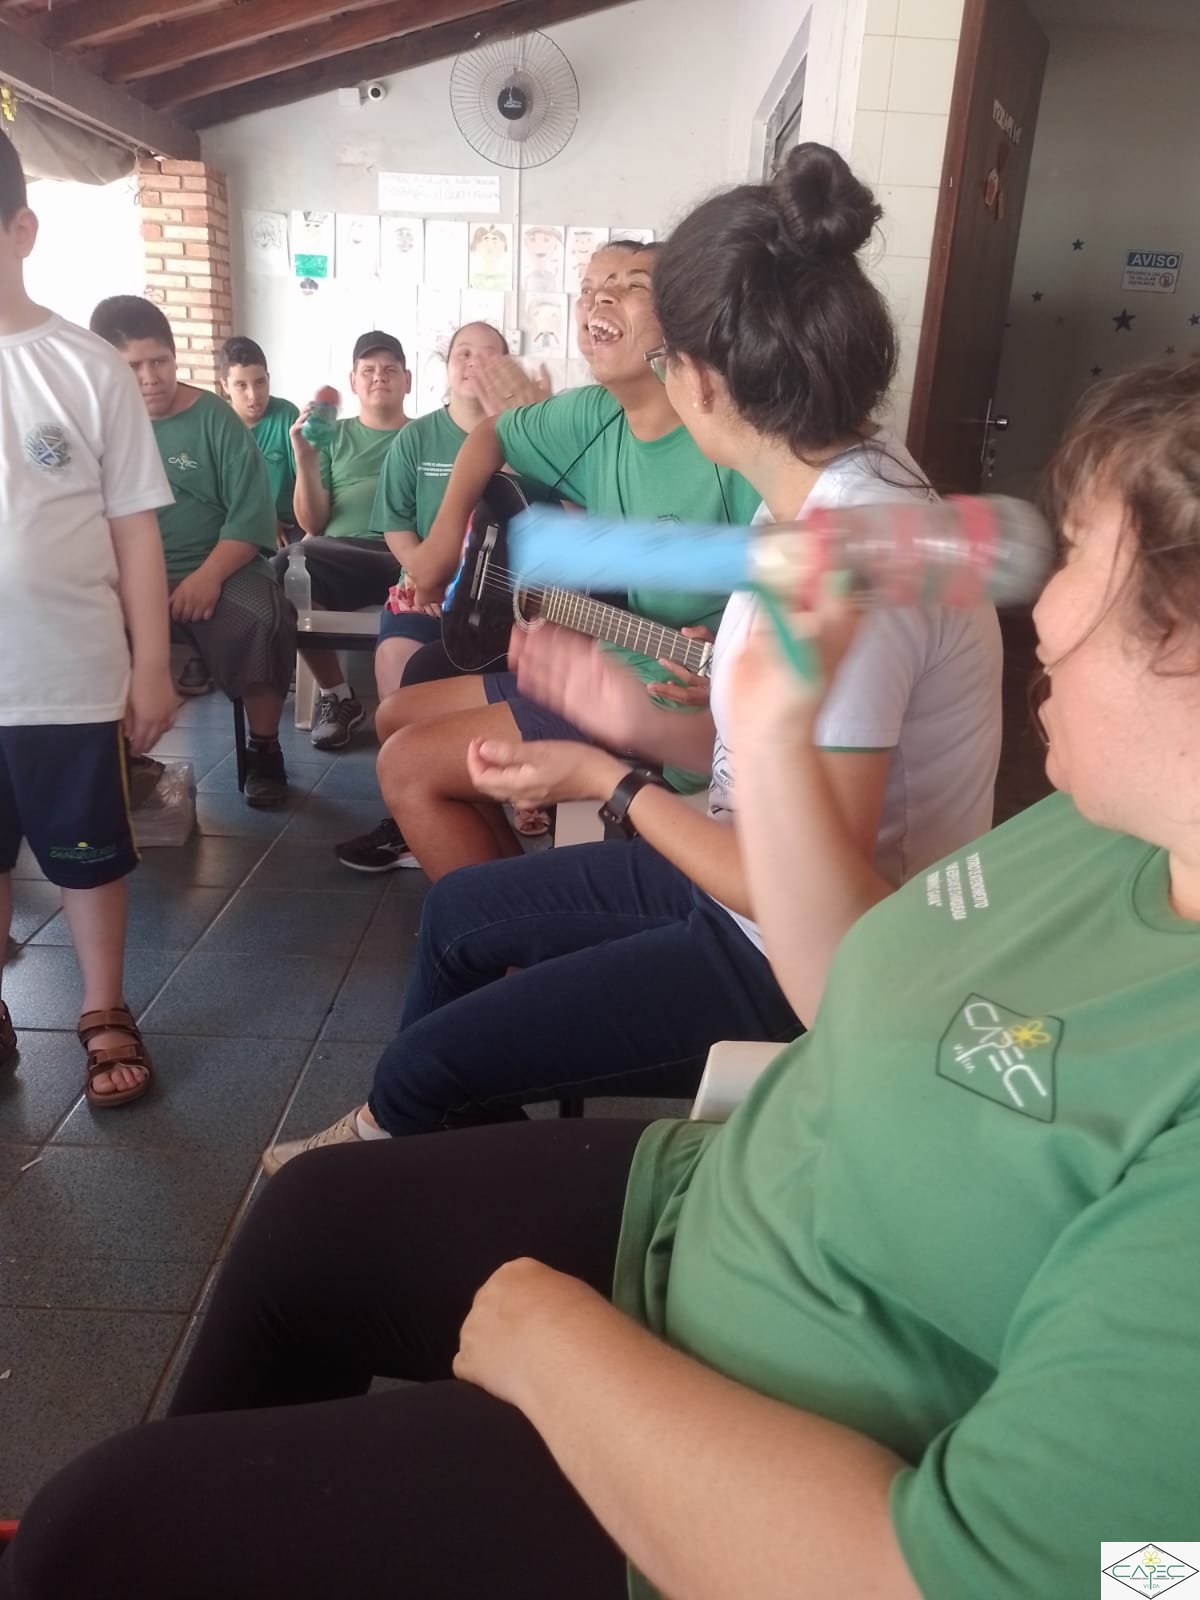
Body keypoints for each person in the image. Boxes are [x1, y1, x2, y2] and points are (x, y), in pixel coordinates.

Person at [8, 232, 1195, 1600]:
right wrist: (661, 733)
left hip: (761, 1413)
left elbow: (1083, 1578)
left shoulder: (862, 556)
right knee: (315, 1214)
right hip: (730, 1202)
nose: (1040, 607)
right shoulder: (1094, 838)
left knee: (93, 1536)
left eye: (1086, 564)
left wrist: (558, 1351)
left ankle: (409, 1145)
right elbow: (857, 985)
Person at [265, 145, 1000, 1165]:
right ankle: (436, 1148)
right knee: (459, 918)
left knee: (425, 1067)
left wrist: (605, 777)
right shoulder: (831, 492)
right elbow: (758, 760)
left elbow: (805, 897)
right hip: (741, 880)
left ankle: (405, 1142)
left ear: (694, 377)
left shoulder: (849, 568)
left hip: (798, 961)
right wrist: (632, 716)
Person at [336, 240, 760, 877]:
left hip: (662, 708)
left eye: (632, 285)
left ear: (688, 320)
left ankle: (504, 913)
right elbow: (493, 434)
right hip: (603, 670)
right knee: (393, 715)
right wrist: (445, 542)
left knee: (405, 764)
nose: (600, 296)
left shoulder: (728, 444)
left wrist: (729, 673)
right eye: (591, 287)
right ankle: (511, 898)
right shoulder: (596, 412)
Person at [0, 136, 176, 1107]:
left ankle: (103, 1005)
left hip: (66, 668)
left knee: (86, 850)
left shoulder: (83, 366)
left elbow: (135, 529)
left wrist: (152, 665)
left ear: (23, 229)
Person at [90, 297, 293, 810]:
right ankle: (115, 756)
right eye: (133, 366)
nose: (150, 377)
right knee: (77, 625)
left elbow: (250, 516)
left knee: (262, 617)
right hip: (121, 574)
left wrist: (207, 576)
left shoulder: (215, 420)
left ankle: (264, 748)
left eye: (160, 361)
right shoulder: (92, 424)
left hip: (220, 565)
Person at [277, 331, 410, 751]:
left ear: (407, 380)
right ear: (353, 381)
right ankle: (337, 695)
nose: (379, 377)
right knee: (284, 565)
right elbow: (312, 522)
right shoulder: (330, 436)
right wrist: (305, 459)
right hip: (343, 555)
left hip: (408, 555)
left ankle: (416, 706)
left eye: (390, 369)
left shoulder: (426, 434)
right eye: (368, 370)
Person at [371, 321, 512, 701]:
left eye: (487, 355)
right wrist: (425, 575)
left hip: (505, 600)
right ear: (447, 366)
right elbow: (396, 525)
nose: (473, 362)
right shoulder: (415, 437)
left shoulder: (526, 435)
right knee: (396, 659)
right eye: (463, 353)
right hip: (425, 594)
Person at [218, 334, 299, 543]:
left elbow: (304, 481)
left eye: (260, 382)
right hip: (233, 527)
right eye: (241, 385)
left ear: (268, 378)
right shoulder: (216, 423)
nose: (253, 395)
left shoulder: (287, 415)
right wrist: (261, 520)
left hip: (288, 528)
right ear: (225, 385)